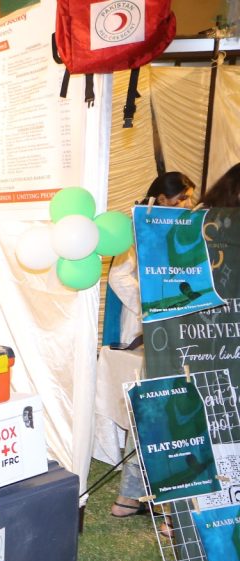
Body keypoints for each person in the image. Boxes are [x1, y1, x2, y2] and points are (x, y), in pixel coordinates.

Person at [107, 172, 196, 518]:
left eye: (190, 198)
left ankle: (137, 498)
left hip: (181, 333)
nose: (188, 204)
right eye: (182, 198)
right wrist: (152, 303)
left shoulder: (186, 230)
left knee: (160, 407)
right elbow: (118, 276)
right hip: (159, 333)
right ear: (161, 199)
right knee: (156, 407)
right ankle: (152, 503)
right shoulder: (140, 229)